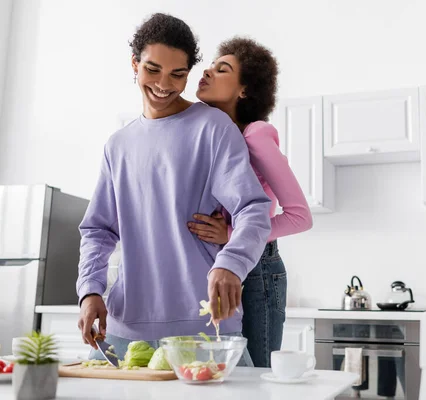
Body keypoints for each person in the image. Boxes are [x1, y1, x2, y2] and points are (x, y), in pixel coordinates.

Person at [75, 13, 271, 363]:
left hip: (205, 327)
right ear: (134, 64)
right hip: (124, 329)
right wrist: (90, 290)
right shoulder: (117, 145)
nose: (164, 84)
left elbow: (252, 209)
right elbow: (98, 229)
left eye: (178, 74)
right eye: (153, 69)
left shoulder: (213, 128)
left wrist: (231, 262)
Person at [186, 37, 313, 367]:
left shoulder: (255, 135)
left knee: (256, 373)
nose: (208, 71)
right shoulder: (210, 134)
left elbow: (300, 216)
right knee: (223, 372)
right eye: (211, 65)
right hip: (220, 264)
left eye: (222, 69)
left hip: (258, 268)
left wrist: (231, 234)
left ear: (244, 90)